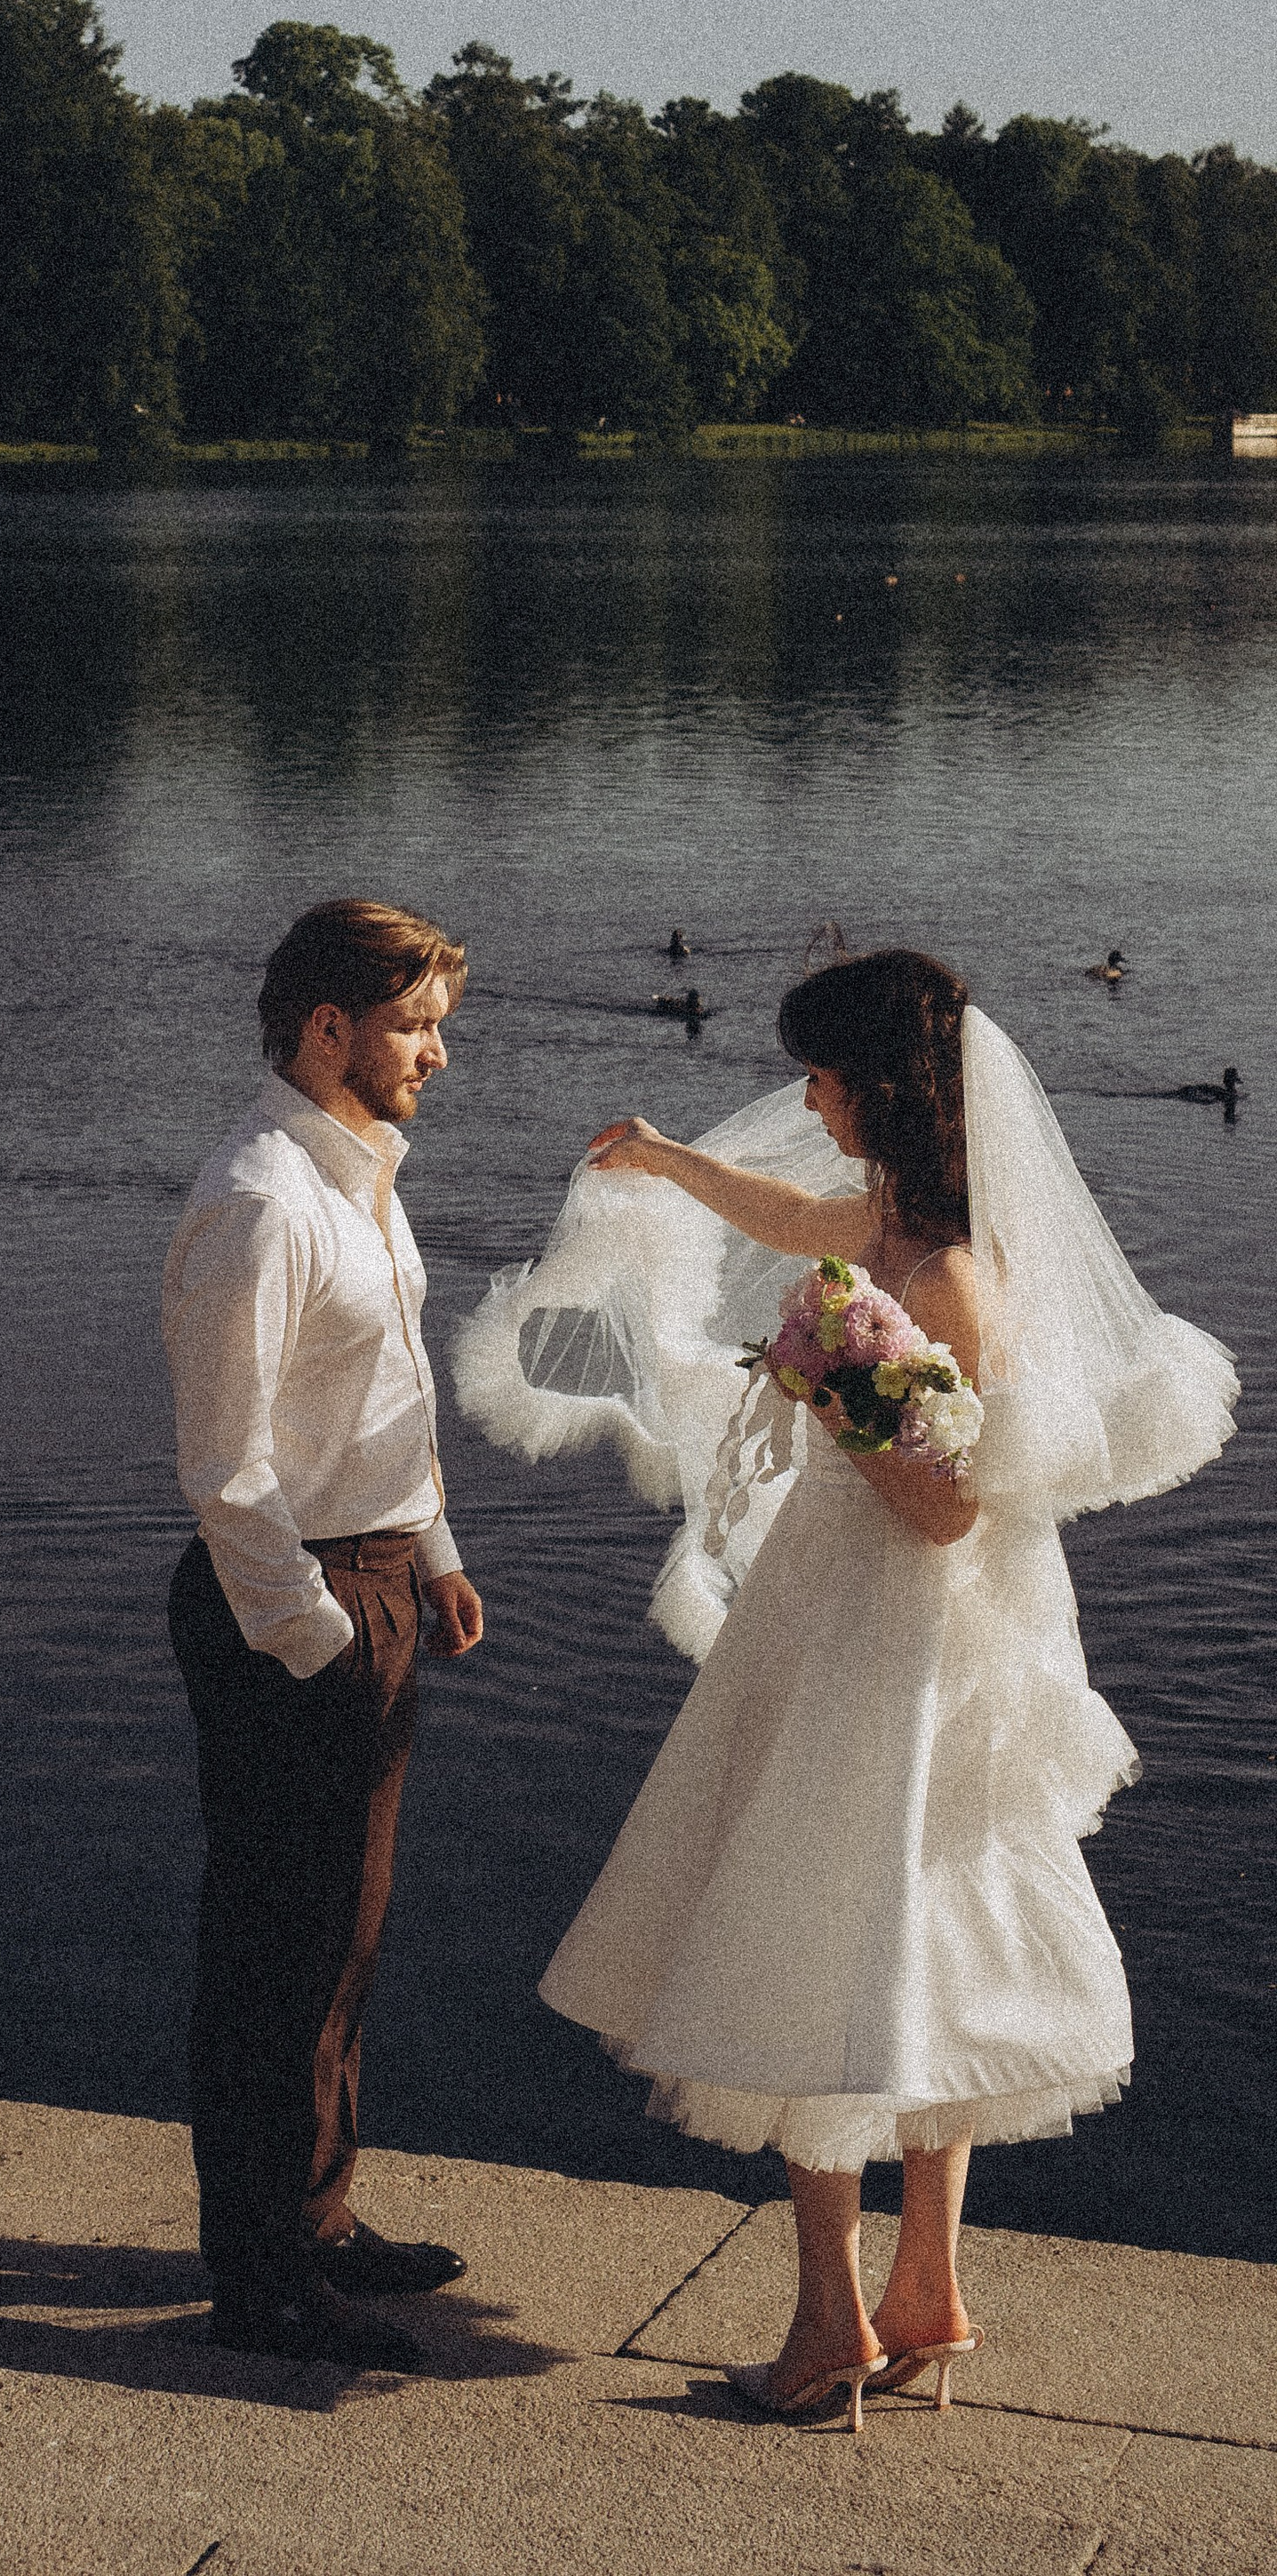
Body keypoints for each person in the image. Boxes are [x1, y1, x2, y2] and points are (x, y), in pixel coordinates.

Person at [453, 947, 1236, 2431]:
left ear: (883, 1083)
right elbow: (801, 1218)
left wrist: (833, 1382)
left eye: (823, 1073)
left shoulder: (946, 1274)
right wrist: (673, 1162)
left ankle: (829, 2330)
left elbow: (948, 1508)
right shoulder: (899, 1218)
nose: (806, 1097)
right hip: (871, 1616)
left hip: (889, 1630)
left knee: (815, 1930)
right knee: (921, 1934)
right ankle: (926, 2288)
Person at [165, 899, 487, 2368]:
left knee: (343, 1938)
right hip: (287, 1599)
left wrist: (431, 1550)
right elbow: (228, 1473)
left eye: (437, 1022)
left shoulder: (359, 1176)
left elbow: (383, 1389)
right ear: (326, 1029)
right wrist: (319, 1637)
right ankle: (263, 2283)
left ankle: (322, 2215)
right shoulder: (261, 1201)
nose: (436, 1050)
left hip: (371, 1575)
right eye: (415, 1023)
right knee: (274, 1954)